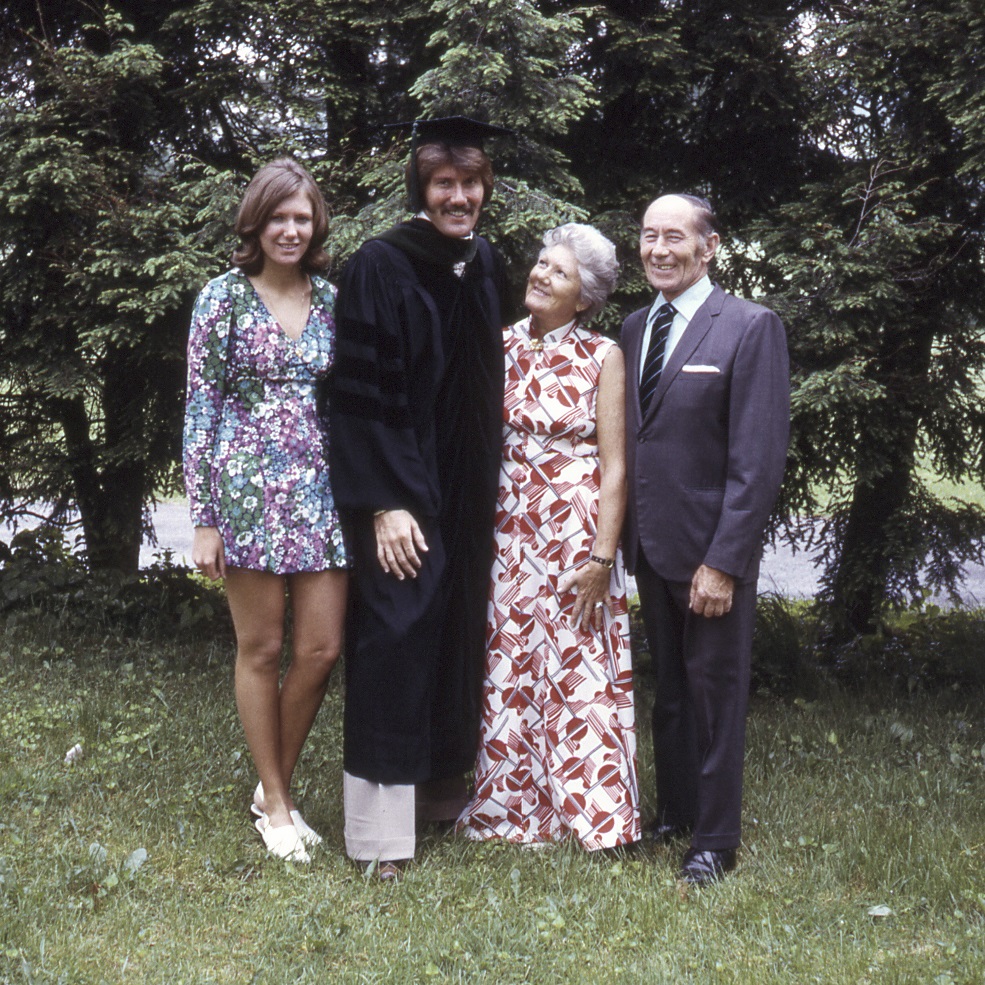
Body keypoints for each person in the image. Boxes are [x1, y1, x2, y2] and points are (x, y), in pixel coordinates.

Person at [328, 117, 512, 877]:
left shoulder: (484, 263)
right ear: (421, 189)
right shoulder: (380, 265)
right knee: (395, 641)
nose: (458, 197)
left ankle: (438, 795)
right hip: (402, 492)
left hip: (467, 492)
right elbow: (359, 396)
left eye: (470, 184)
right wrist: (384, 502)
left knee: (454, 633)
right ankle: (379, 837)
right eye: (444, 184)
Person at [183, 158, 350, 864]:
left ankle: (266, 785)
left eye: (301, 217)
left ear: (315, 226)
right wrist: (204, 516)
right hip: (244, 487)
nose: (290, 229)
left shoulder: (334, 299)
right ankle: (277, 803)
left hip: (320, 489)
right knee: (262, 647)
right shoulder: (221, 298)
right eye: (278, 217)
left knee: (319, 648)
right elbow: (201, 404)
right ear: (256, 222)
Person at [621, 193, 790, 884]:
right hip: (651, 544)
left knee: (715, 695)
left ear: (709, 246)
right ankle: (678, 811)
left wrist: (723, 562)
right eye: (647, 236)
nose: (658, 249)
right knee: (670, 692)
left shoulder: (749, 327)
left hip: (709, 551)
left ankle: (715, 839)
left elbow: (756, 461)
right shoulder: (633, 327)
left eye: (674, 237)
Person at [457, 223, 641, 851]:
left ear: (583, 298)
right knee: (508, 662)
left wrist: (602, 557)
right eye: (540, 263)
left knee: (574, 668)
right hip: (507, 529)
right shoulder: (499, 344)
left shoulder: (602, 356)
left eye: (558, 273)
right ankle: (510, 812)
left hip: (573, 534)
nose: (540, 275)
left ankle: (592, 814)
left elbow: (616, 465)